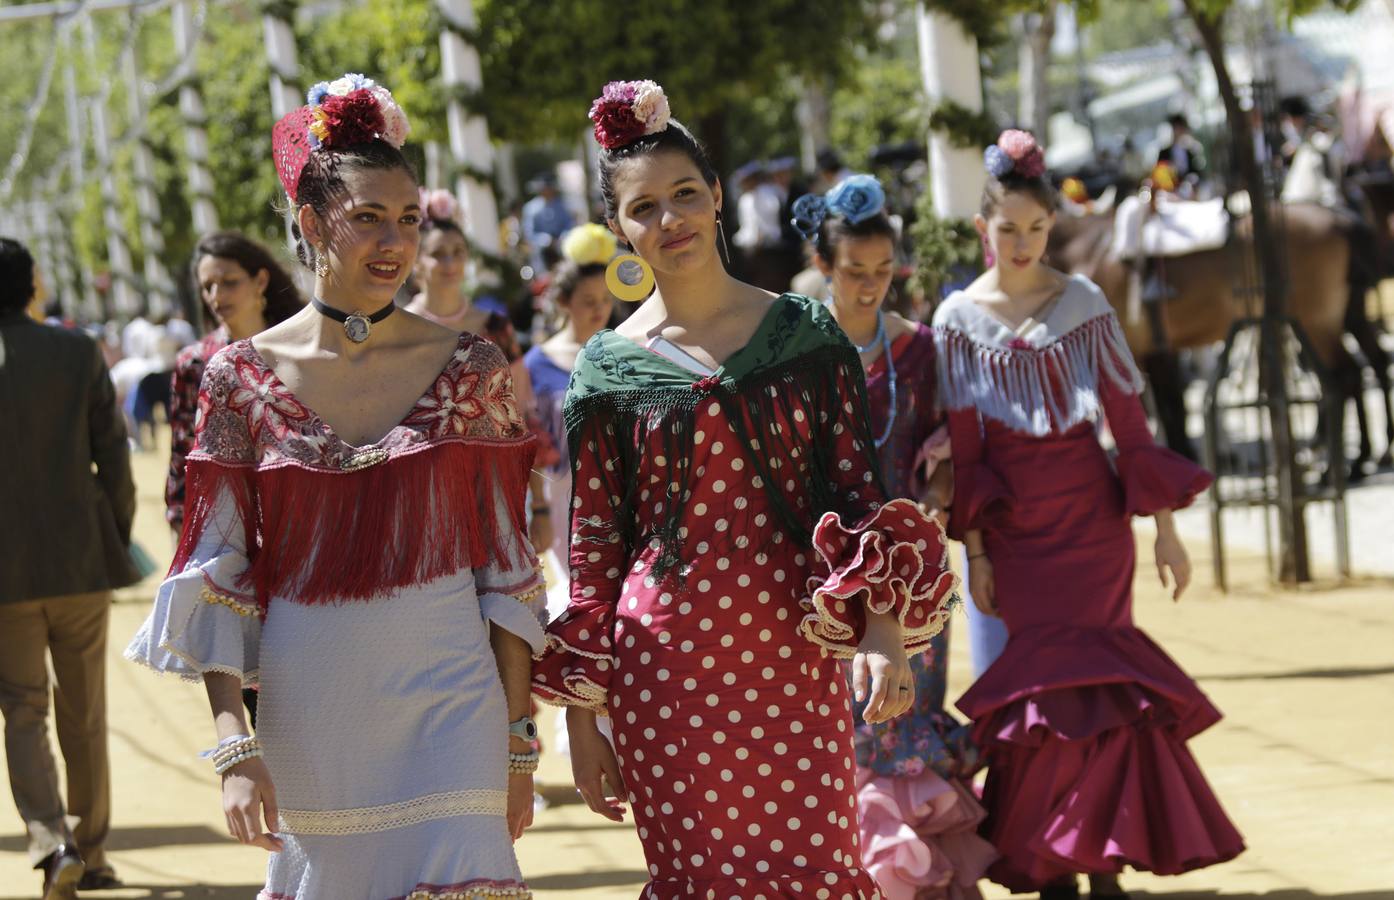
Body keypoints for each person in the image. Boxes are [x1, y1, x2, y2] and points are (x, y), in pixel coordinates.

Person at [532, 79, 959, 898]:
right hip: (663, 672)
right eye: (644, 207)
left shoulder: (806, 335)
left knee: (819, 871)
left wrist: (882, 630)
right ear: (620, 227)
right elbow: (594, 554)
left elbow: (856, 499)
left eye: (686, 194)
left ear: (718, 196)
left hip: (795, 657)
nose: (670, 220)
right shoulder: (604, 369)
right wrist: (581, 720)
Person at [125, 74, 542, 899]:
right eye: (369, 218)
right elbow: (217, 570)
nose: (395, 242)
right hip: (312, 713)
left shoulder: (473, 369)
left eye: (410, 220)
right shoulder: (237, 378)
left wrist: (520, 739)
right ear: (312, 223)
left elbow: (506, 568)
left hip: (452, 701)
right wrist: (234, 750)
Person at [939, 131, 1244, 899]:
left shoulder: (1084, 301)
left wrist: (1167, 530)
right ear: (984, 228)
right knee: (1042, 696)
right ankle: (1053, 869)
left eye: (1035, 228)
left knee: (1106, 688)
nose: (1021, 242)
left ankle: (1100, 862)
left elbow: (1129, 426)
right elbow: (969, 456)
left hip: (1093, 526)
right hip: (1017, 538)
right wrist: (974, 553)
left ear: (1051, 226)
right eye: (1006, 228)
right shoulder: (956, 321)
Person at [798, 175, 997, 900]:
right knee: (838, 732)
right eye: (855, 272)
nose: (871, 286)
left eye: (885, 273)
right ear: (824, 263)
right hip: (822, 580)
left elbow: (945, 459)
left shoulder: (919, 350)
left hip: (914, 577)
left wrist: (938, 513)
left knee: (903, 716)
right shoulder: (794, 348)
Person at [0, 237, 140, 897]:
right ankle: (95, 848)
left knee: (22, 709)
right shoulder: (76, 350)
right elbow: (113, 455)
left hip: (4, 574)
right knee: (83, 708)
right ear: (32, 285)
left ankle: (51, 842)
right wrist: (116, 533)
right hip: (80, 556)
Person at [406, 188, 560, 597]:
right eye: (439, 253)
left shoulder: (494, 325)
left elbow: (522, 419)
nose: (451, 262)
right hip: (423, 501)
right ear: (415, 262)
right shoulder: (396, 331)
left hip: (494, 495)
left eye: (458, 251)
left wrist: (540, 505)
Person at [166, 231, 304, 537]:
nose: (217, 296)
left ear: (260, 281)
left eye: (229, 282)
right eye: (208, 287)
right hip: (228, 527)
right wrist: (180, 524)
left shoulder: (303, 349)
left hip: (305, 512)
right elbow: (183, 454)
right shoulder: (194, 363)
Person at [523, 222, 617, 589]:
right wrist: (540, 510)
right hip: (564, 498)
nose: (600, 310)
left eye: (606, 300)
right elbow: (529, 442)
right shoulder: (535, 363)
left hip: (616, 492)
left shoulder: (620, 353)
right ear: (564, 302)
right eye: (588, 302)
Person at [521, 173, 575, 270]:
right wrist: (546, 240)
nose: (546, 191)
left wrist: (562, 238)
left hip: (561, 249)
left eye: (548, 188)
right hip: (541, 254)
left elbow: (569, 225)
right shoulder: (530, 208)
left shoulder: (563, 206)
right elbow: (529, 233)